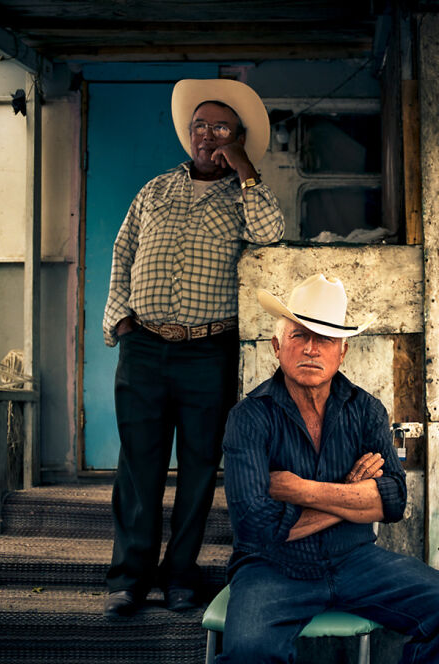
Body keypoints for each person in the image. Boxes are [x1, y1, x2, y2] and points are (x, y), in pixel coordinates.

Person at [214, 273, 439, 664]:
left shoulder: (366, 409)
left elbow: (392, 500)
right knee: (248, 656)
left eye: (325, 339)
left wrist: (301, 489)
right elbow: (255, 527)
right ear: (277, 347)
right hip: (272, 569)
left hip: (354, 560)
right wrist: (354, 497)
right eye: (300, 335)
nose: (312, 348)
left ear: (343, 351)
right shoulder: (249, 418)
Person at [101, 79, 285, 619]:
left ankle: (181, 577)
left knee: (200, 469)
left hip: (207, 353)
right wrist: (122, 321)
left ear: (238, 138)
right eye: (199, 126)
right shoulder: (154, 190)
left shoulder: (246, 195)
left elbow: (272, 235)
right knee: (139, 468)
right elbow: (122, 253)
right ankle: (128, 579)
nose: (206, 136)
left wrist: (246, 170)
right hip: (144, 351)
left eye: (220, 128)